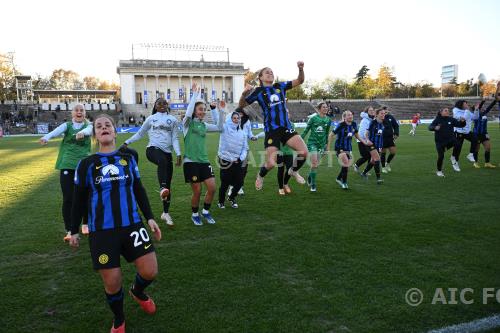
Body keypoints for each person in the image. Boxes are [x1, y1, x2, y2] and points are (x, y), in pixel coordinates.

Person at [69, 114, 162, 333]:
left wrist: (149, 217)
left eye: (107, 125)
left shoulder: (129, 158)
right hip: (102, 231)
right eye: (98, 126)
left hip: (132, 224)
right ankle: (119, 318)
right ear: (95, 135)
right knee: (112, 282)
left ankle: (137, 292)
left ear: (115, 131)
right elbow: (78, 201)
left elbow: (138, 188)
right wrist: (73, 230)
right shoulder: (86, 165)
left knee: (150, 271)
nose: (103, 128)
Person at [239, 62, 308, 190]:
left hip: (286, 127)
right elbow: (242, 105)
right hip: (272, 130)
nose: (270, 73)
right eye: (267, 72)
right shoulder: (258, 92)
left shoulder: (280, 86)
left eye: (271, 72)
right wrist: (244, 94)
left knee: (303, 152)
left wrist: (300, 69)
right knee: (271, 163)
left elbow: (300, 80)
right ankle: (260, 175)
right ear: (260, 77)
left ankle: (293, 170)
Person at [120, 97, 182, 227]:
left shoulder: (173, 120)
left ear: (167, 105)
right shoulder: (150, 119)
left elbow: (175, 138)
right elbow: (140, 133)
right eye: (159, 103)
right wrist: (127, 142)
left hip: (167, 153)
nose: (162, 105)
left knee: (168, 185)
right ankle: (161, 187)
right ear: (155, 105)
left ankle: (165, 213)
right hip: (152, 150)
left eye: (164, 103)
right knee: (162, 162)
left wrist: (178, 153)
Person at [39, 103, 92, 241]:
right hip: (67, 164)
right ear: (72, 113)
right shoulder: (67, 125)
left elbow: (90, 131)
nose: (79, 112)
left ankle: (86, 223)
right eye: (76, 110)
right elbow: (56, 131)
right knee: (69, 198)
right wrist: (46, 137)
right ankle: (69, 230)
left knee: (86, 196)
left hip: (83, 165)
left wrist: (82, 133)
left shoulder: (89, 125)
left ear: (85, 113)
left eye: (82, 110)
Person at [182, 83, 224, 226]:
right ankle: (195, 214)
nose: (202, 112)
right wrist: (194, 95)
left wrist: (217, 110)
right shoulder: (187, 124)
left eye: (204, 110)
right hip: (190, 162)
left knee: (212, 188)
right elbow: (188, 113)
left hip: (204, 161)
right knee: (198, 191)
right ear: (194, 111)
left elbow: (219, 127)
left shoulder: (204, 125)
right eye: (200, 109)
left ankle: (205, 211)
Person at [327, 110, 368, 189]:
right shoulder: (341, 125)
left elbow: (356, 135)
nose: (350, 116)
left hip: (348, 148)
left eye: (351, 114)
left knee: (346, 165)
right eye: (348, 115)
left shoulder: (354, 124)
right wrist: (328, 147)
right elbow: (331, 135)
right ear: (344, 117)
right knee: (346, 163)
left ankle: (338, 178)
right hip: (339, 148)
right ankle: (344, 182)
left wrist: (364, 142)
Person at [217, 111, 248, 208]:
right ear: (230, 119)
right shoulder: (224, 128)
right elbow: (218, 122)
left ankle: (231, 197)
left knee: (239, 182)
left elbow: (245, 148)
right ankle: (221, 201)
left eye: (238, 118)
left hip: (237, 161)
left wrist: (240, 158)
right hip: (225, 160)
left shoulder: (242, 133)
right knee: (225, 183)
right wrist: (216, 110)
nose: (236, 120)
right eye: (234, 118)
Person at [301, 102, 331, 192]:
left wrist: (326, 145)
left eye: (327, 107)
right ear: (319, 109)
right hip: (312, 143)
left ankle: (310, 176)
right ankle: (313, 185)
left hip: (321, 145)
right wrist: (299, 140)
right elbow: (306, 130)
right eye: (324, 107)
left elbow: (326, 133)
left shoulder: (328, 120)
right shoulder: (313, 118)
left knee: (316, 165)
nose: (326, 108)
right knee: (314, 163)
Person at [429, 108, 466, 176]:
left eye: (448, 111)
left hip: (450, 140)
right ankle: (439, 171)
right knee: (441, 156)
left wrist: (463, 121)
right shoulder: (437, 120)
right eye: (445, 111)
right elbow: (430, 127)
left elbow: (460, 125)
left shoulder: (451, 119)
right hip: (440, 142)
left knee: (458, 144)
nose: (447, 112)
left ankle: (453, 157)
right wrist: (434, 128)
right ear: (441, 112)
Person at [472, 92, 499, 168]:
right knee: (476, 149)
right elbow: (479, 107)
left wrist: (495, 100)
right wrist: (483, 101)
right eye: (478, 108)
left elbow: (490, 107)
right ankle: (475, 162)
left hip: (484, 133)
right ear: (476, 109)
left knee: (488, 147)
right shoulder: (475, 115)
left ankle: (487, 163)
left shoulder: (484, 113)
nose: (481, 108)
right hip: (476, 134)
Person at [451, 100, 480, 171]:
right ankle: (455, 162)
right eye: (465, 104)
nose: (467, 105)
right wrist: (467, 111)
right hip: (459, 132)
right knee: (458, 148)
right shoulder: (455, 110)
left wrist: (476, 110)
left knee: (475, 140)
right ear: (461, 104)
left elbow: (475, 117)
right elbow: (463, 118)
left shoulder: (467, 111)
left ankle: (470, 154)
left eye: (467, 103)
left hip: (467, 132)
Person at [360, 109, 385, 184]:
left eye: (384, 113)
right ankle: (378, 179)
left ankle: (364, 173)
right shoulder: (373, 122)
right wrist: (367, 140)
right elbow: (366, 133)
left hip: (379, 145)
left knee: (373, 161)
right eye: (381, 113)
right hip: (371, 144)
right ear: (377, 114)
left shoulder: (383, 123)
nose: (383, 114)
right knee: (377, 159)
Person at [353, 106, 375, 173]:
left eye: (372, 110)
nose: (372, 111)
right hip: (362, 141)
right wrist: (366, 140)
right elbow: (362, 132)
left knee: (372, 156)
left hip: (370, 140)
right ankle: (356, 165)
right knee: (366, 156)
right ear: (366, 112)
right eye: (370, 110)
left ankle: (367, 171)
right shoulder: (365, 120)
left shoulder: (371, 119)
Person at [380, 108, 399, 173]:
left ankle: (387, 163)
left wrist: (396, 133)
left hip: (390, 137)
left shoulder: (391, 117)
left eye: (386, 110)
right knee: (383, 153)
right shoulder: (380, 118)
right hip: (382, 138)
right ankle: (383, 167)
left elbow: (396, 126)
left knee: (393, 152)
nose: (385, 111)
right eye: (384, 111)